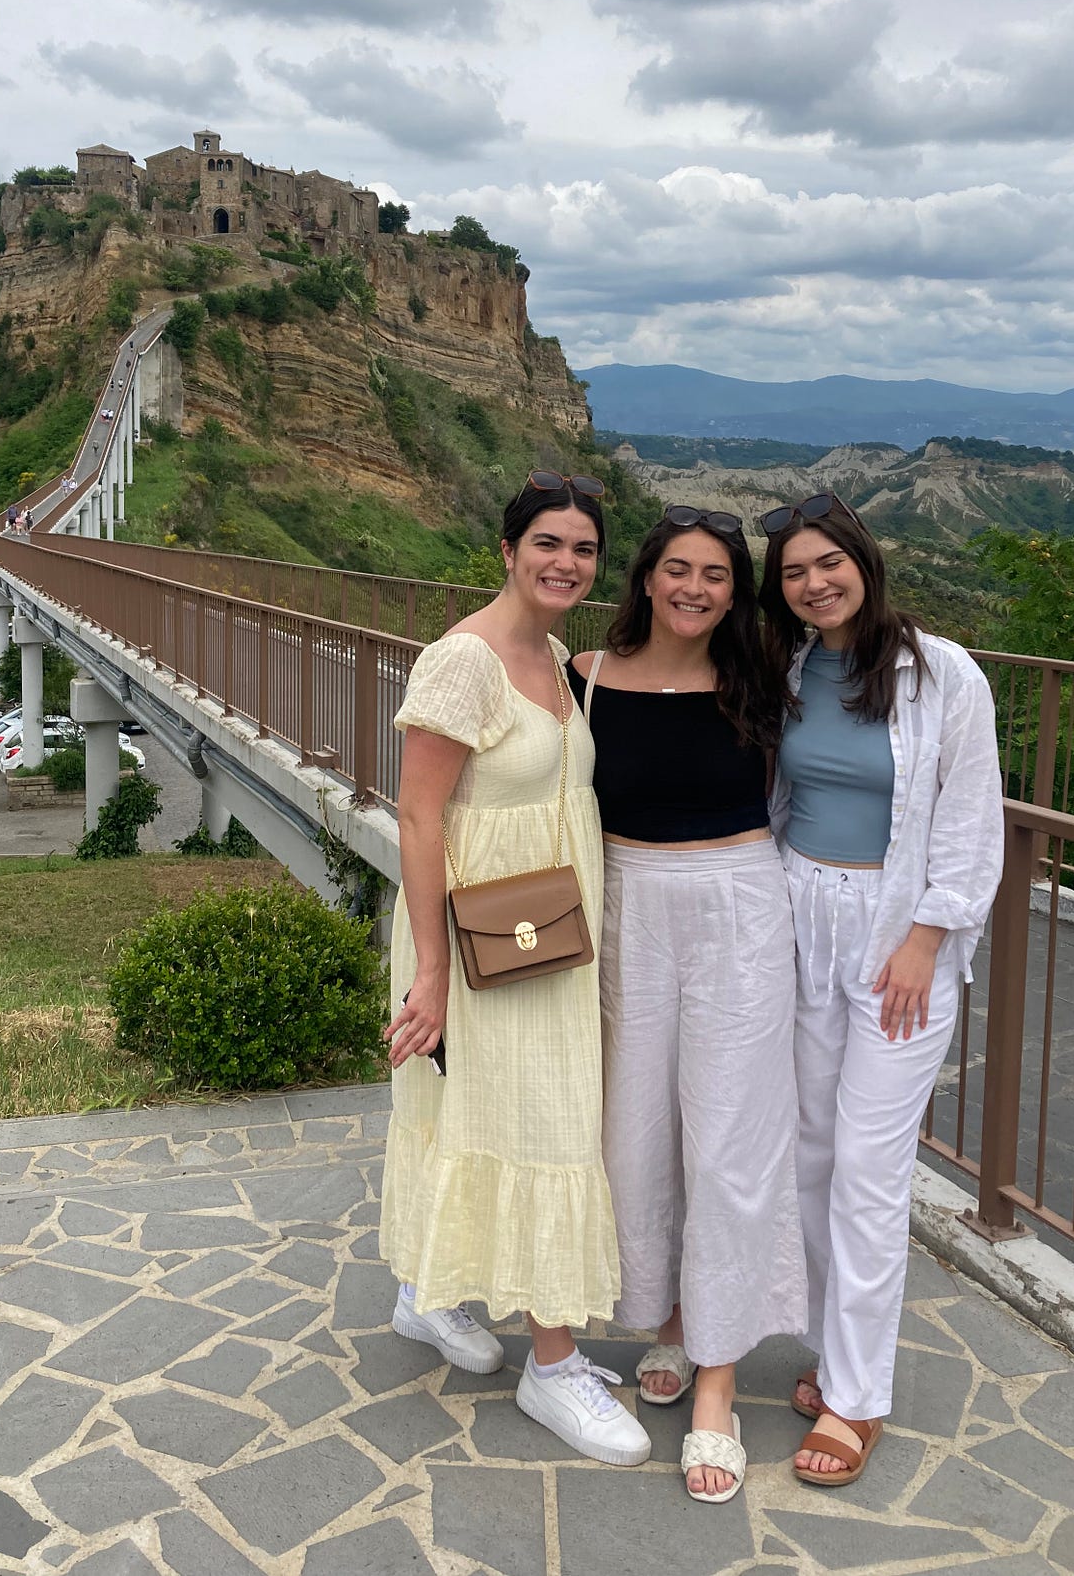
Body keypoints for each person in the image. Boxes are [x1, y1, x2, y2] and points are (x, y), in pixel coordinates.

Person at [383, 472, 651, 1468]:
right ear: (506, 549)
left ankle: (427, 1289)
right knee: (540, 1126)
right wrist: (430, 971)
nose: (566, 563)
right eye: (547, 543)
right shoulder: (463, 664)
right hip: (481, 941)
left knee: (481, 1116)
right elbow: (416, 816)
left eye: (583, 549)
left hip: (544, 938)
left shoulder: (550, 655)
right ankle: (553, 1362)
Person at [758, 493, 1003, 1488]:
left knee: (867, 1166)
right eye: (793, 572)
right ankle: (836, 1355)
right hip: (797, 919)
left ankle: (859, 1401)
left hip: (898, 939)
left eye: (829, 563)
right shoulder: (783, 668)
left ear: (862, 559)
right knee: (811, 1156)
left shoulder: (941, 673)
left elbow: (971, 816)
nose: (815, 583)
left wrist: (926, 935)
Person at [568, 507, 803, 1505]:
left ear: (735, 591)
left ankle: (716, 1385)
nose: (695, 588)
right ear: (645, 577)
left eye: (715, 574)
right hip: (624, 908)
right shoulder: (582, 678)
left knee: (727, 1144)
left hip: (739, 910)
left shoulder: (760, 684)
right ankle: (668, 1316)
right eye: (677, 569)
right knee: (636, 1134)